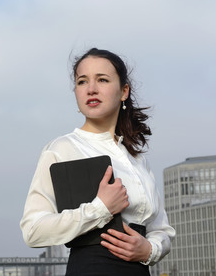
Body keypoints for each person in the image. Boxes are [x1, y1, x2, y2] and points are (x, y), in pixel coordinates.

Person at [20, 48, 175, 275]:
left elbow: (161, 229)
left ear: (124, 91)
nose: (91, 89)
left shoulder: (137, 159)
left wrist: (149, 250)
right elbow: (33, 230)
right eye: (82, 82)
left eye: (102, 80)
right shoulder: (62, 149)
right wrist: (100, 208)